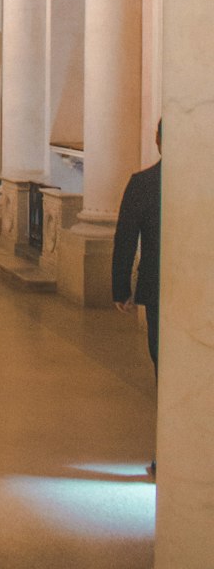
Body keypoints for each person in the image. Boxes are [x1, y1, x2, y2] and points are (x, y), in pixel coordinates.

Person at [112, 121, 162, 477]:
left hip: (159, 289)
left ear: (158, 139)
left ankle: (168, 454)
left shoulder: (144, 183)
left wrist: (120, 288)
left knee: (165, 371)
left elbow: (125, 238)